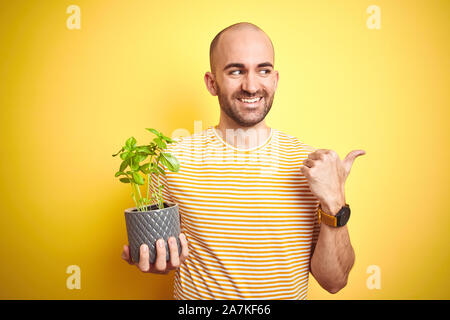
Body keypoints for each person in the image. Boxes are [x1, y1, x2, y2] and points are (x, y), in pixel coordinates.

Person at [121, 22, 365, 299]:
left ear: (275, 80)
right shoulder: (171, 160)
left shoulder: (310, 166)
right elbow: (160, 253)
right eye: (236, 71)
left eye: (263, 70)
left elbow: (334, 282)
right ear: (212, 83)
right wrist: (156, 260)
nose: (251, 86)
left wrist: (335, 202)